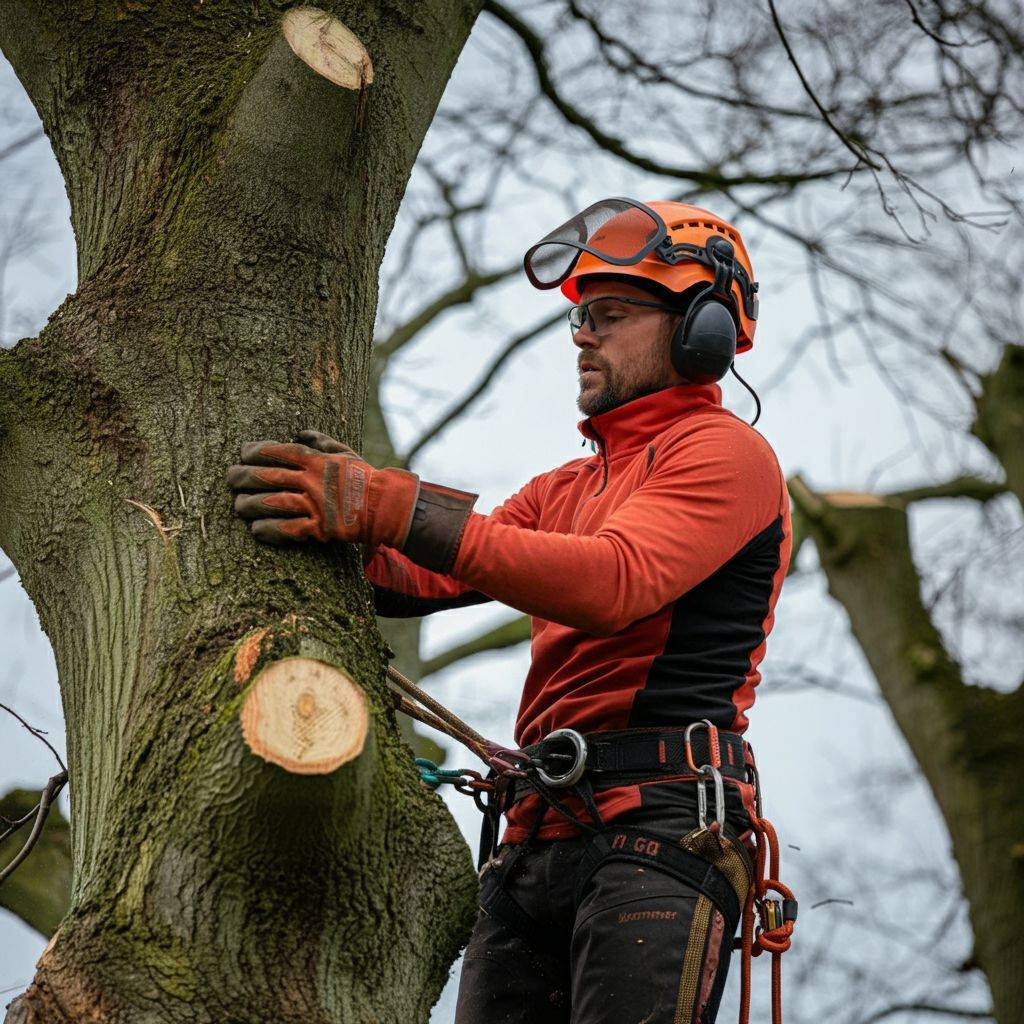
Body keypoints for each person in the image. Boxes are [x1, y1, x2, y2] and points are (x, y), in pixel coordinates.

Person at [227, 199, 792, 1024]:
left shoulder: (725, 454)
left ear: (698, 328)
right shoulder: (567, 487)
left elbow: (612, 582)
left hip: (661, 834)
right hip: (536, 834)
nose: (581, 336)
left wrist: (391, 504)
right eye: (580, 317)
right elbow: (430, 575)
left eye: (611, 314)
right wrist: (343, 517)